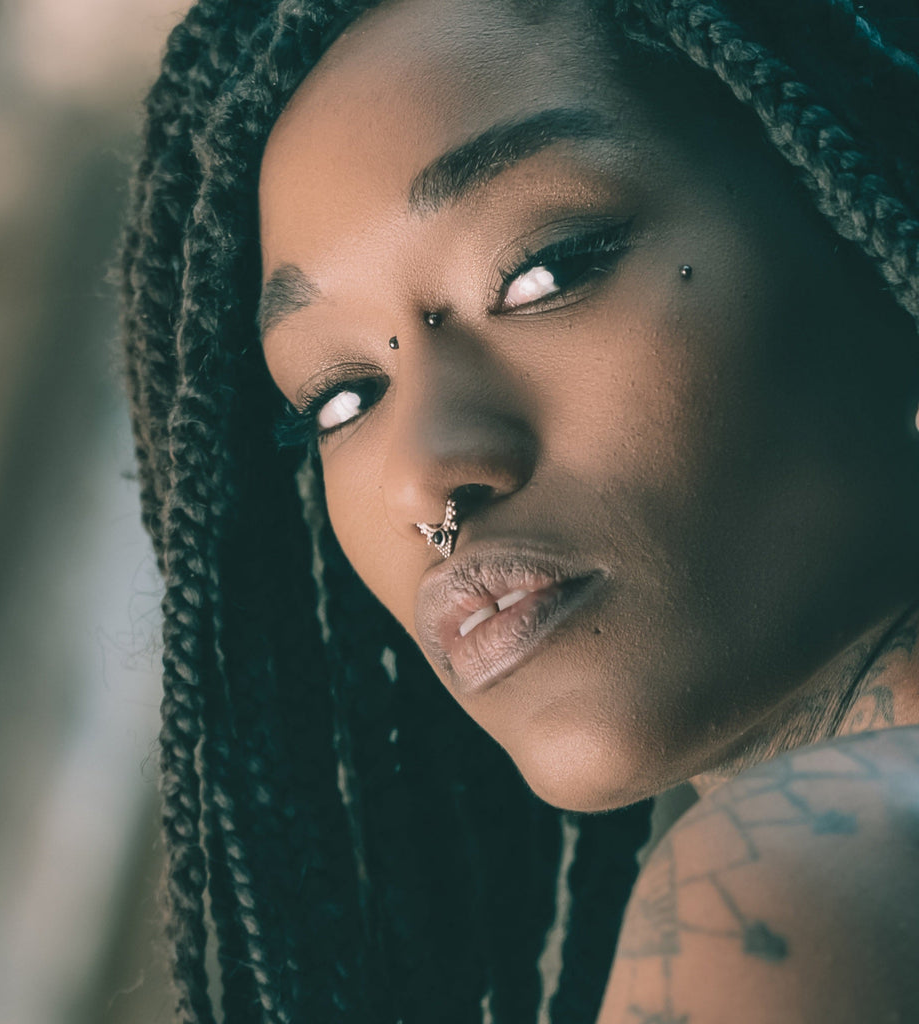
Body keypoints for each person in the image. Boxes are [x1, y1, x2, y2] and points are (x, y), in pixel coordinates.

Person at [119, 0, 919, 1021]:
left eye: (542, 272)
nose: (427, 478)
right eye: (341, 396)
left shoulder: (787, 901)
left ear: (862, 210)